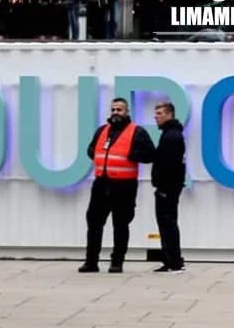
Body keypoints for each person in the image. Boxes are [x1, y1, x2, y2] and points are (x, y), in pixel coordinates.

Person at [80, 98, 156, 274]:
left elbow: (150, 154)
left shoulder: (137, 131)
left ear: (127, 112)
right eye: (113, 109)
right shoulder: (102, 131)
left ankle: (117, 262)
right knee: (94, 222)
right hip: (101, 183)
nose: (115, 113)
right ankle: (91, 261)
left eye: (119, 110)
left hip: (124, 186)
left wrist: (132, 154)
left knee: (120, 224)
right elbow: (91, 149)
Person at [151, 102, 187, 274]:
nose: (155, 116)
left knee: (167, 223)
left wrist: (164, 188)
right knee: (167, 223)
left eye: (159, 113)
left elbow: (170, 165)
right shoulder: (170, 134)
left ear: (169, 114)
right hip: (170, 187)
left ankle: (174, 261)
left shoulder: (171, 136)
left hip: (168, 188)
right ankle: (171, 260)